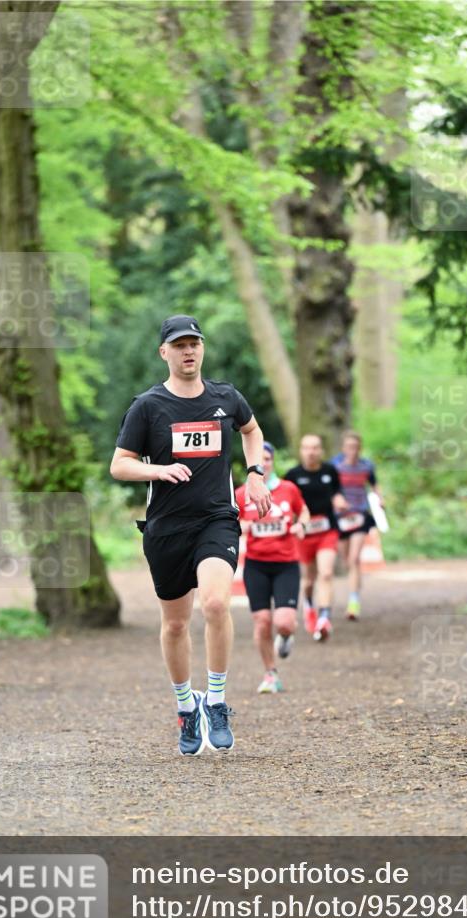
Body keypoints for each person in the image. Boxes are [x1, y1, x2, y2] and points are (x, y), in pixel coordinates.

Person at [110, 314, 271, 756]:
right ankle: (187, 707)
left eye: (194, 343)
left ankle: (216, 700)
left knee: (217, 603)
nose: (188, 351)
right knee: (176, 623)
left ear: (202, 349)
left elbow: (252, 431)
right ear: (164, 352)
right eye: (179, 345)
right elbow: (119, 463)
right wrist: (157, 469)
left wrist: (255, 475)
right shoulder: (148, 406)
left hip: (217, 519)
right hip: (166, 528)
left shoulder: (225, 397)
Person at [235, 442, 309, 694]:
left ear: (273, 460)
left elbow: (305, 512)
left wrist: (302, 526)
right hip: (256, 565)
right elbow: (228, 523)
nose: (263, 463)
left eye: (267, 458)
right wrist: (238, 528)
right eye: (259, 459)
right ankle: (270, 674)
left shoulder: (288, 489)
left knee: (285, 622)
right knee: (262, 621)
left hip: (286, 564)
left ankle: (286, 636)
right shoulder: (241, 494)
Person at [285, 434, 348, 642]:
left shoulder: (330, 471)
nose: (311, 452)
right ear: (301, 451)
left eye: (315, 448)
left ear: (321, 451)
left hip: (327, 531)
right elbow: (287, 505)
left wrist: (339, 501)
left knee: (327, 573)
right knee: (308, 580)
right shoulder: (293, 475)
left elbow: (337, 492)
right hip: (304, 534)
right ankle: (310, 603)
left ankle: (324, 618)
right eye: (306, 448)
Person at [331, 430, 384, 621]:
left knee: (353, 559)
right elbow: (328, 488)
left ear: (359, 448)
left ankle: (353, 602)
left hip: (360, 515)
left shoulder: (366, 465)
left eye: (355, 447)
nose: (352, 450)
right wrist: (336, 500)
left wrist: (380, 498)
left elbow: (374, 484)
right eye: (348, 447)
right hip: (340, 517)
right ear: (343, 448)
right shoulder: (334, 465)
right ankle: (355, 588)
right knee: (348, 561)